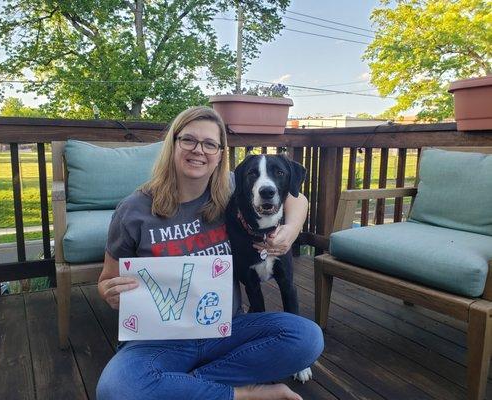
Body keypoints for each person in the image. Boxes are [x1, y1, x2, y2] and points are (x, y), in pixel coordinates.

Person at [96, 106, 324, 400]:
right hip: (159, 338)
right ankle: (244, 394)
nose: (198, 151)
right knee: (116, 388)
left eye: (210, 144)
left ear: (219, 154)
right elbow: (106, 280)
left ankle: (179, 389)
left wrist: (291, 231)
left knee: (307, 338)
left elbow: (297, 197)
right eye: (188, 140)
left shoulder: (232, 188)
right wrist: (110, 291)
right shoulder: (132, 209)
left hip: (227, 328)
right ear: (173, 144)